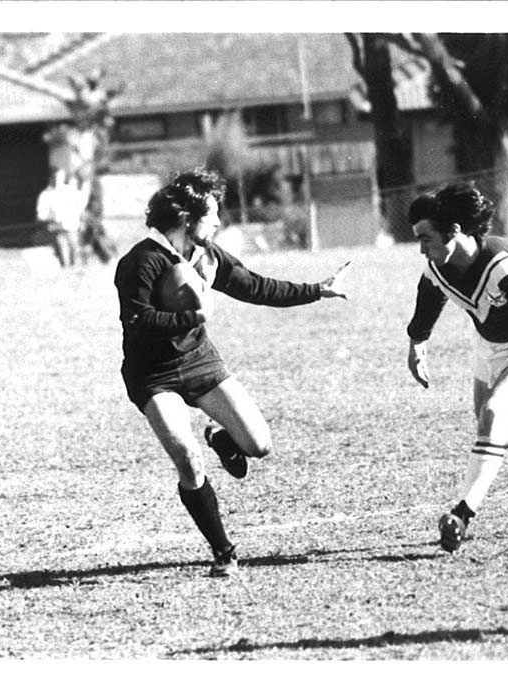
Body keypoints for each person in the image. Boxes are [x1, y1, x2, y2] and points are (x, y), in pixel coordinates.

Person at [114, 168, 350, 577]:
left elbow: (254, 286)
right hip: (153, 374)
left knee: (259, 446)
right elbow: (138, 321)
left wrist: (316, 290)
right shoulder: (140, 261)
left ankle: (221, 436)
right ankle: (224, 552)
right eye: (212, 214)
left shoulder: (207, 256)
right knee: (187, 458)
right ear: (186, 218)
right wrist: (193, 315)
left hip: (199, 361)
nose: (219, 221)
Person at [405, 181, 508, 553]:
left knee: (493, 414)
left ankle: (462, 513)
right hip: (486, 343)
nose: (421, 249)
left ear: (454, 231)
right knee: (489, 426)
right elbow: (429, 293)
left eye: (426, 239)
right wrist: (417, 342)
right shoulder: (439, 264)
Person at [36, 168, 88, 267]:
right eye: (56, 177)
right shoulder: (48, 194)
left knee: (74, 246)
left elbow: (80, 207)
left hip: (71, 225)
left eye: (61, 177)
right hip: (59, 225)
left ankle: (75, 265)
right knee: (64, 246)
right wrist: (52, 217)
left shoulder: (69, 192)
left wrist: (80, 220)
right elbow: (42, 214)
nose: (58, 179)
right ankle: (67, 266)